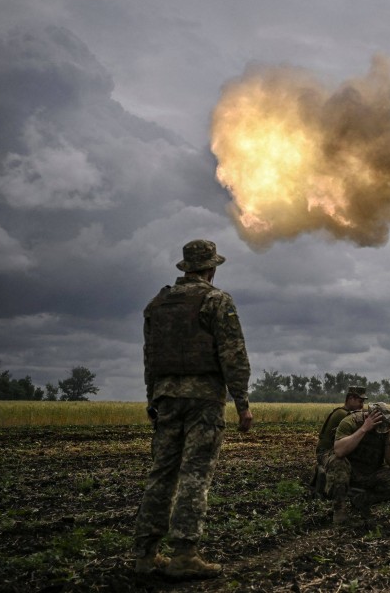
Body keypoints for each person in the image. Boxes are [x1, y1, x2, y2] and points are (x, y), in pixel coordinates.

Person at [133, 239, 253, 578]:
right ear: (211, 268)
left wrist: (152, 400)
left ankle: (145, 555)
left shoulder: (156, 305)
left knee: (161, 474)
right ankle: (184, 555)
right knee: (194, 475)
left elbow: (150, 360)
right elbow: (233, 355)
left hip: (165, 399)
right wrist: (242, 404)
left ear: (186, 267)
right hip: (203, 401)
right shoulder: (216, 300)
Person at [328, 401, 390, 520]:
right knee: (338, 462)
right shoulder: (351, 422)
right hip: (349, 470)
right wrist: (364, 429)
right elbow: (339, 451)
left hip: (372, 471)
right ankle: (339, 508)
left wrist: (388, 441)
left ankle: (362, 499)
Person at [310, 386, 367, 499]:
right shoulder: (343, 415)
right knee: (342, 462)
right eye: (360, 401)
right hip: (325, 452)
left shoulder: (343, 412)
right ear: (350, 399)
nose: (362, 405)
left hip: (331, 450)